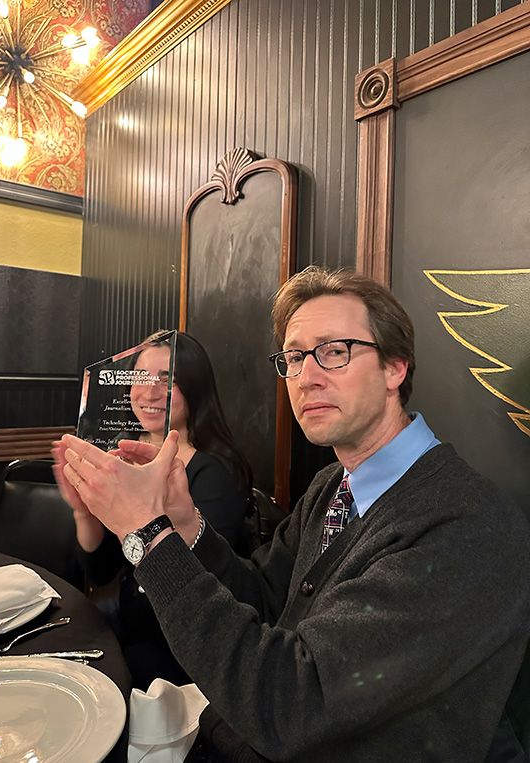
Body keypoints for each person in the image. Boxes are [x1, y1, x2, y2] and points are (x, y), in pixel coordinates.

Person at [54, 266, 530, 762]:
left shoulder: (466, 526)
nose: (306, 377)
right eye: (296, 357)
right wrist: (185, 520)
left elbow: (294, 706)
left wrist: (147, 534)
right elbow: (262, 599)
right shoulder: (332, 484)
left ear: (395, 368)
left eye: (334, 351)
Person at [63, 330, 251, 688]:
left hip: (184, 654)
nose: (150, 392)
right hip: (133, 624)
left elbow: (200, 596)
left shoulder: (214, 473)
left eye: (168, 381)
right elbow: (101, 571)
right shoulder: (124, 458)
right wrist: (84, 512)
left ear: (195, 389)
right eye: (141, 378)